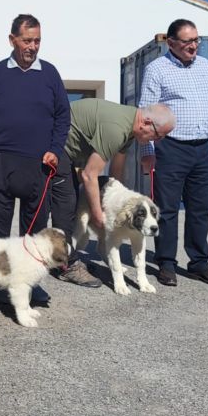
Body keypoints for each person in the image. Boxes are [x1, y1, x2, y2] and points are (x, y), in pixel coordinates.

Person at [0, 14, 70, 303]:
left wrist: (55, 148)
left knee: (35, 230)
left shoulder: (50, 73)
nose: (32, 46)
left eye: (37, 40)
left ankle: (29, 283)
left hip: (38, 163)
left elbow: (63, 116)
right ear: (12, 40)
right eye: (27, 40)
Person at [138, 18, 208, 288]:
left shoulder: (206, 66)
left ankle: (199, 263)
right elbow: (146, 112)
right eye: (188, 41)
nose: (194, 46)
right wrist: (147, 151)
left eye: (196, 40)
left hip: (202, 148)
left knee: (201, 208)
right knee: (166, 209)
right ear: (171, 43)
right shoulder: (157, 69)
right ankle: (166, 263)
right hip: (170, 148)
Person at [50, 98, 175, 287]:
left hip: (72, 154)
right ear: (146, 123)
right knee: (67, 204)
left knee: (69, 200)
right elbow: (89, 175)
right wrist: (99, 214)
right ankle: (64, 265)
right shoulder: (117, 129)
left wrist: (117, 199)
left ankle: (63, 257)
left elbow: (115, 176)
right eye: (158, 136)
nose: (157, 141)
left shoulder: (131, 127)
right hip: (57, 148)